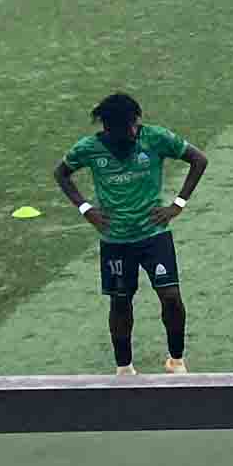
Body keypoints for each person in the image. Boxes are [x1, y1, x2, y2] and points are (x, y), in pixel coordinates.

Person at [55, 92, 206, 373]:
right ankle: (124, 367)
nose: (135, 130)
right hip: (116, 239)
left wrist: (178, 204)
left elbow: (198, 159)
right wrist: (86, 208)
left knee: (171, 296)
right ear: (109, 128)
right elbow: (61, 173)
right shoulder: (89, 148)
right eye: (129, 126)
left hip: (154, 235)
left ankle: (176, 360)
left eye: (136, 124)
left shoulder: (155, 137)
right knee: (121, 301)